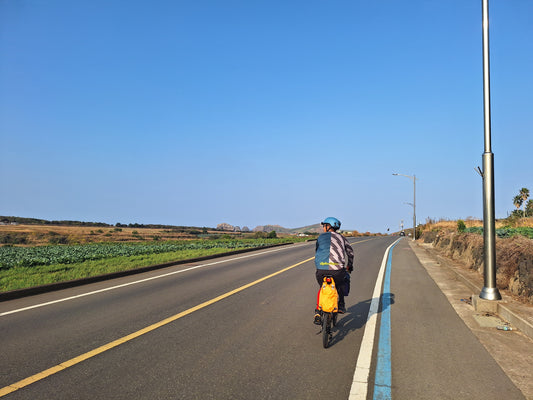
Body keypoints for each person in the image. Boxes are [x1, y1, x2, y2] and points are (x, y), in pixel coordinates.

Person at [314, 217, 354, 324]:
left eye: (324, 225)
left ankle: (318, 310)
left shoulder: (320, 238)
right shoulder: (342, 238)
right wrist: (350, 266)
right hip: (337, 271)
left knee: (322, 287)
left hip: (321, 270)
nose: (323, 228)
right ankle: (341, 305)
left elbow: (317, 251)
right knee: (341, 283)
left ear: (328, 226)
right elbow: (350, 253)